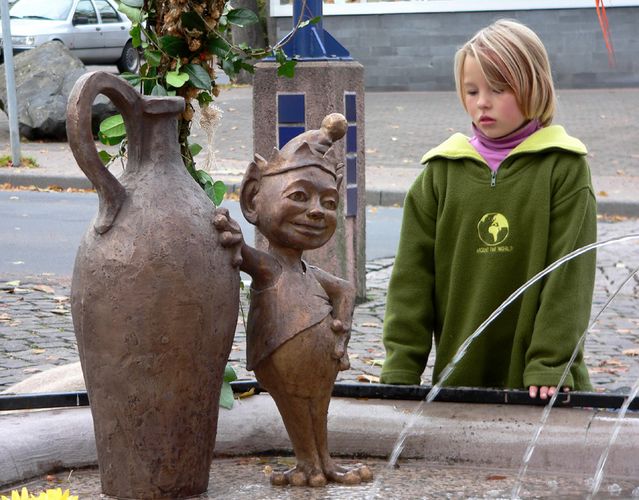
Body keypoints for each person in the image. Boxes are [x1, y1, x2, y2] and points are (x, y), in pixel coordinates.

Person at [380, 19, 597, 400]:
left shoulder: (565, 168)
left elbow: (570, 277)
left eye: (498, 89)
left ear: (535, 86)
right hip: (459, 377)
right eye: (471, 90)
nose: (482, 101)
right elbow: (411, 280)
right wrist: (402, 365)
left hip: (544, 386)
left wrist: (550, 362)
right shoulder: (439, 174)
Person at [215, 114, 372, 487]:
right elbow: (241, 253)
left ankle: (323, 462)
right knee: (296, 408)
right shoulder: (269, 266)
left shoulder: (308, 271)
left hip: (322, 362)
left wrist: (341, 332)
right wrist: (234, 236)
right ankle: (309, 462)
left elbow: (345, 290)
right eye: (300, 196)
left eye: (329, 202)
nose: (317, 211)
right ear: (254, 198)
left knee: (317, 409)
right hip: (279, 348)